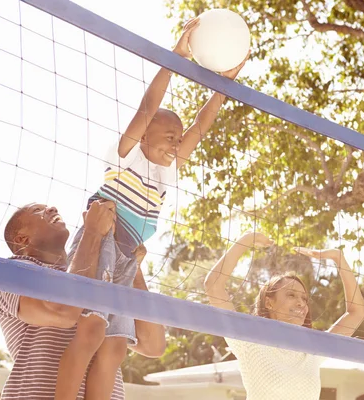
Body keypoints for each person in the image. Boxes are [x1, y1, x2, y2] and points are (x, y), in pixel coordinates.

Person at [55, 16, 249, 400]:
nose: (176, 143)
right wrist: (174, 59)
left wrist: (225, 84)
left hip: (131, 252)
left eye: (178, 139)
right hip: (104, 237)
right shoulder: (126, 154)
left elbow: (201, 125)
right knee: (92, 328)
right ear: (144, 134)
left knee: (114, 345)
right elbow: (149, 105)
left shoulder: (169, 169)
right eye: (168, 136)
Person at [0, 201, 166, 400]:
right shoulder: (12, 272)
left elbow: (153, 345)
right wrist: (92, 232)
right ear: (22, 239)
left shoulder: (96, 272)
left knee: (113, 346)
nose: (52, 208)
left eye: (50, 207)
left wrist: (131, 267)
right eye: (38, 210)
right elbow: (64, 312)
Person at [203, 232, 364, 400]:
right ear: (269, 303)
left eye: (304, 298)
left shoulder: (311, 351)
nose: (301, 303)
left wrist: (338, 258)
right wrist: (246, 239)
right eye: (291, 295)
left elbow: (357, 312)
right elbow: (214, 286)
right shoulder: (250, 343)